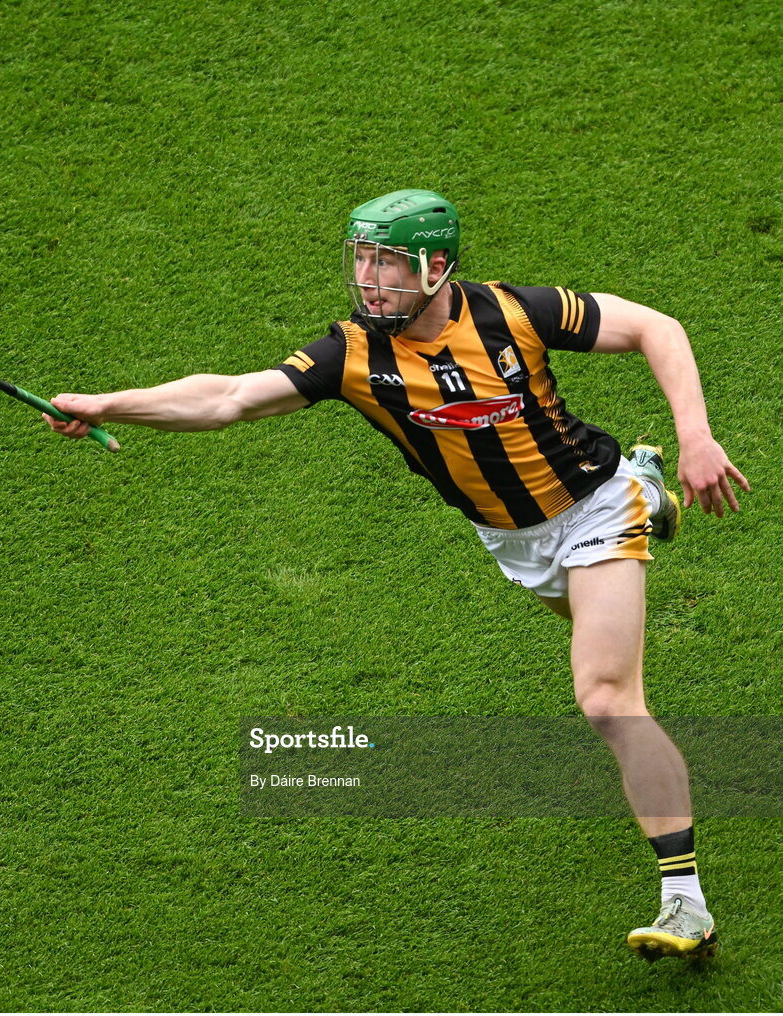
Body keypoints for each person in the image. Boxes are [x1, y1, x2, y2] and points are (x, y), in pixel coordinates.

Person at [42, 189, 749, 962]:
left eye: (387, 262)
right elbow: (229, 397)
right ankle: (650, 497)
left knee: (607, 697)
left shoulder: (514, 313)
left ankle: (687, 905)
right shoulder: (352, 354)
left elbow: (656, 327)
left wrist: (697, 435)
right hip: (511, 542)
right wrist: (109, 403)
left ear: (437, 266)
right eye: (362, 260)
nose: (369, 279)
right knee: (594, 641)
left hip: (591, 510)